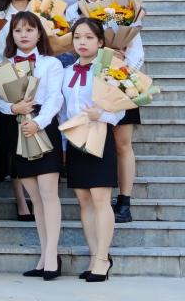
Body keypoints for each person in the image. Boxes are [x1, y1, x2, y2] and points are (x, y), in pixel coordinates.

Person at [68, 0, 143, 224]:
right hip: (86, 88)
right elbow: (67, 48)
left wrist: (121, 67)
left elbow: (136, 48)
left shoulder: (121, 7)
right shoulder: (72, 11)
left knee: (122, 143)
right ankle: (100, 195)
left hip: (119, 82)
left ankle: (124, 200)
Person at [0, 11, 65, 281]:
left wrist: (39, 122)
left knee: (49, 194)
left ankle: (52, 256)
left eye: (29, 29)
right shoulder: (5, 65)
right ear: (11, 35)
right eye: (18, 30)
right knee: (35, 198)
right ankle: (44, 255)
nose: (23, 35)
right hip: (17, 128)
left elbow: (55, 98)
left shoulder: (51, 63)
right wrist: (13, 108)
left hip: (42, 127)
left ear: (39, 33)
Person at [61, 17, 122, 282]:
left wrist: (102, 115)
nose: (82, 42)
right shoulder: (67, 71)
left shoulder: (108, 69)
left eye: (88, 37)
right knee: (83, 200)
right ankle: (94, 254)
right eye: (77, 37)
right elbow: (63, 109)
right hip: (76, 138)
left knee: (100, 198)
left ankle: (102, 259)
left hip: (99, 134)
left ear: (100, 42)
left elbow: (121, 108)